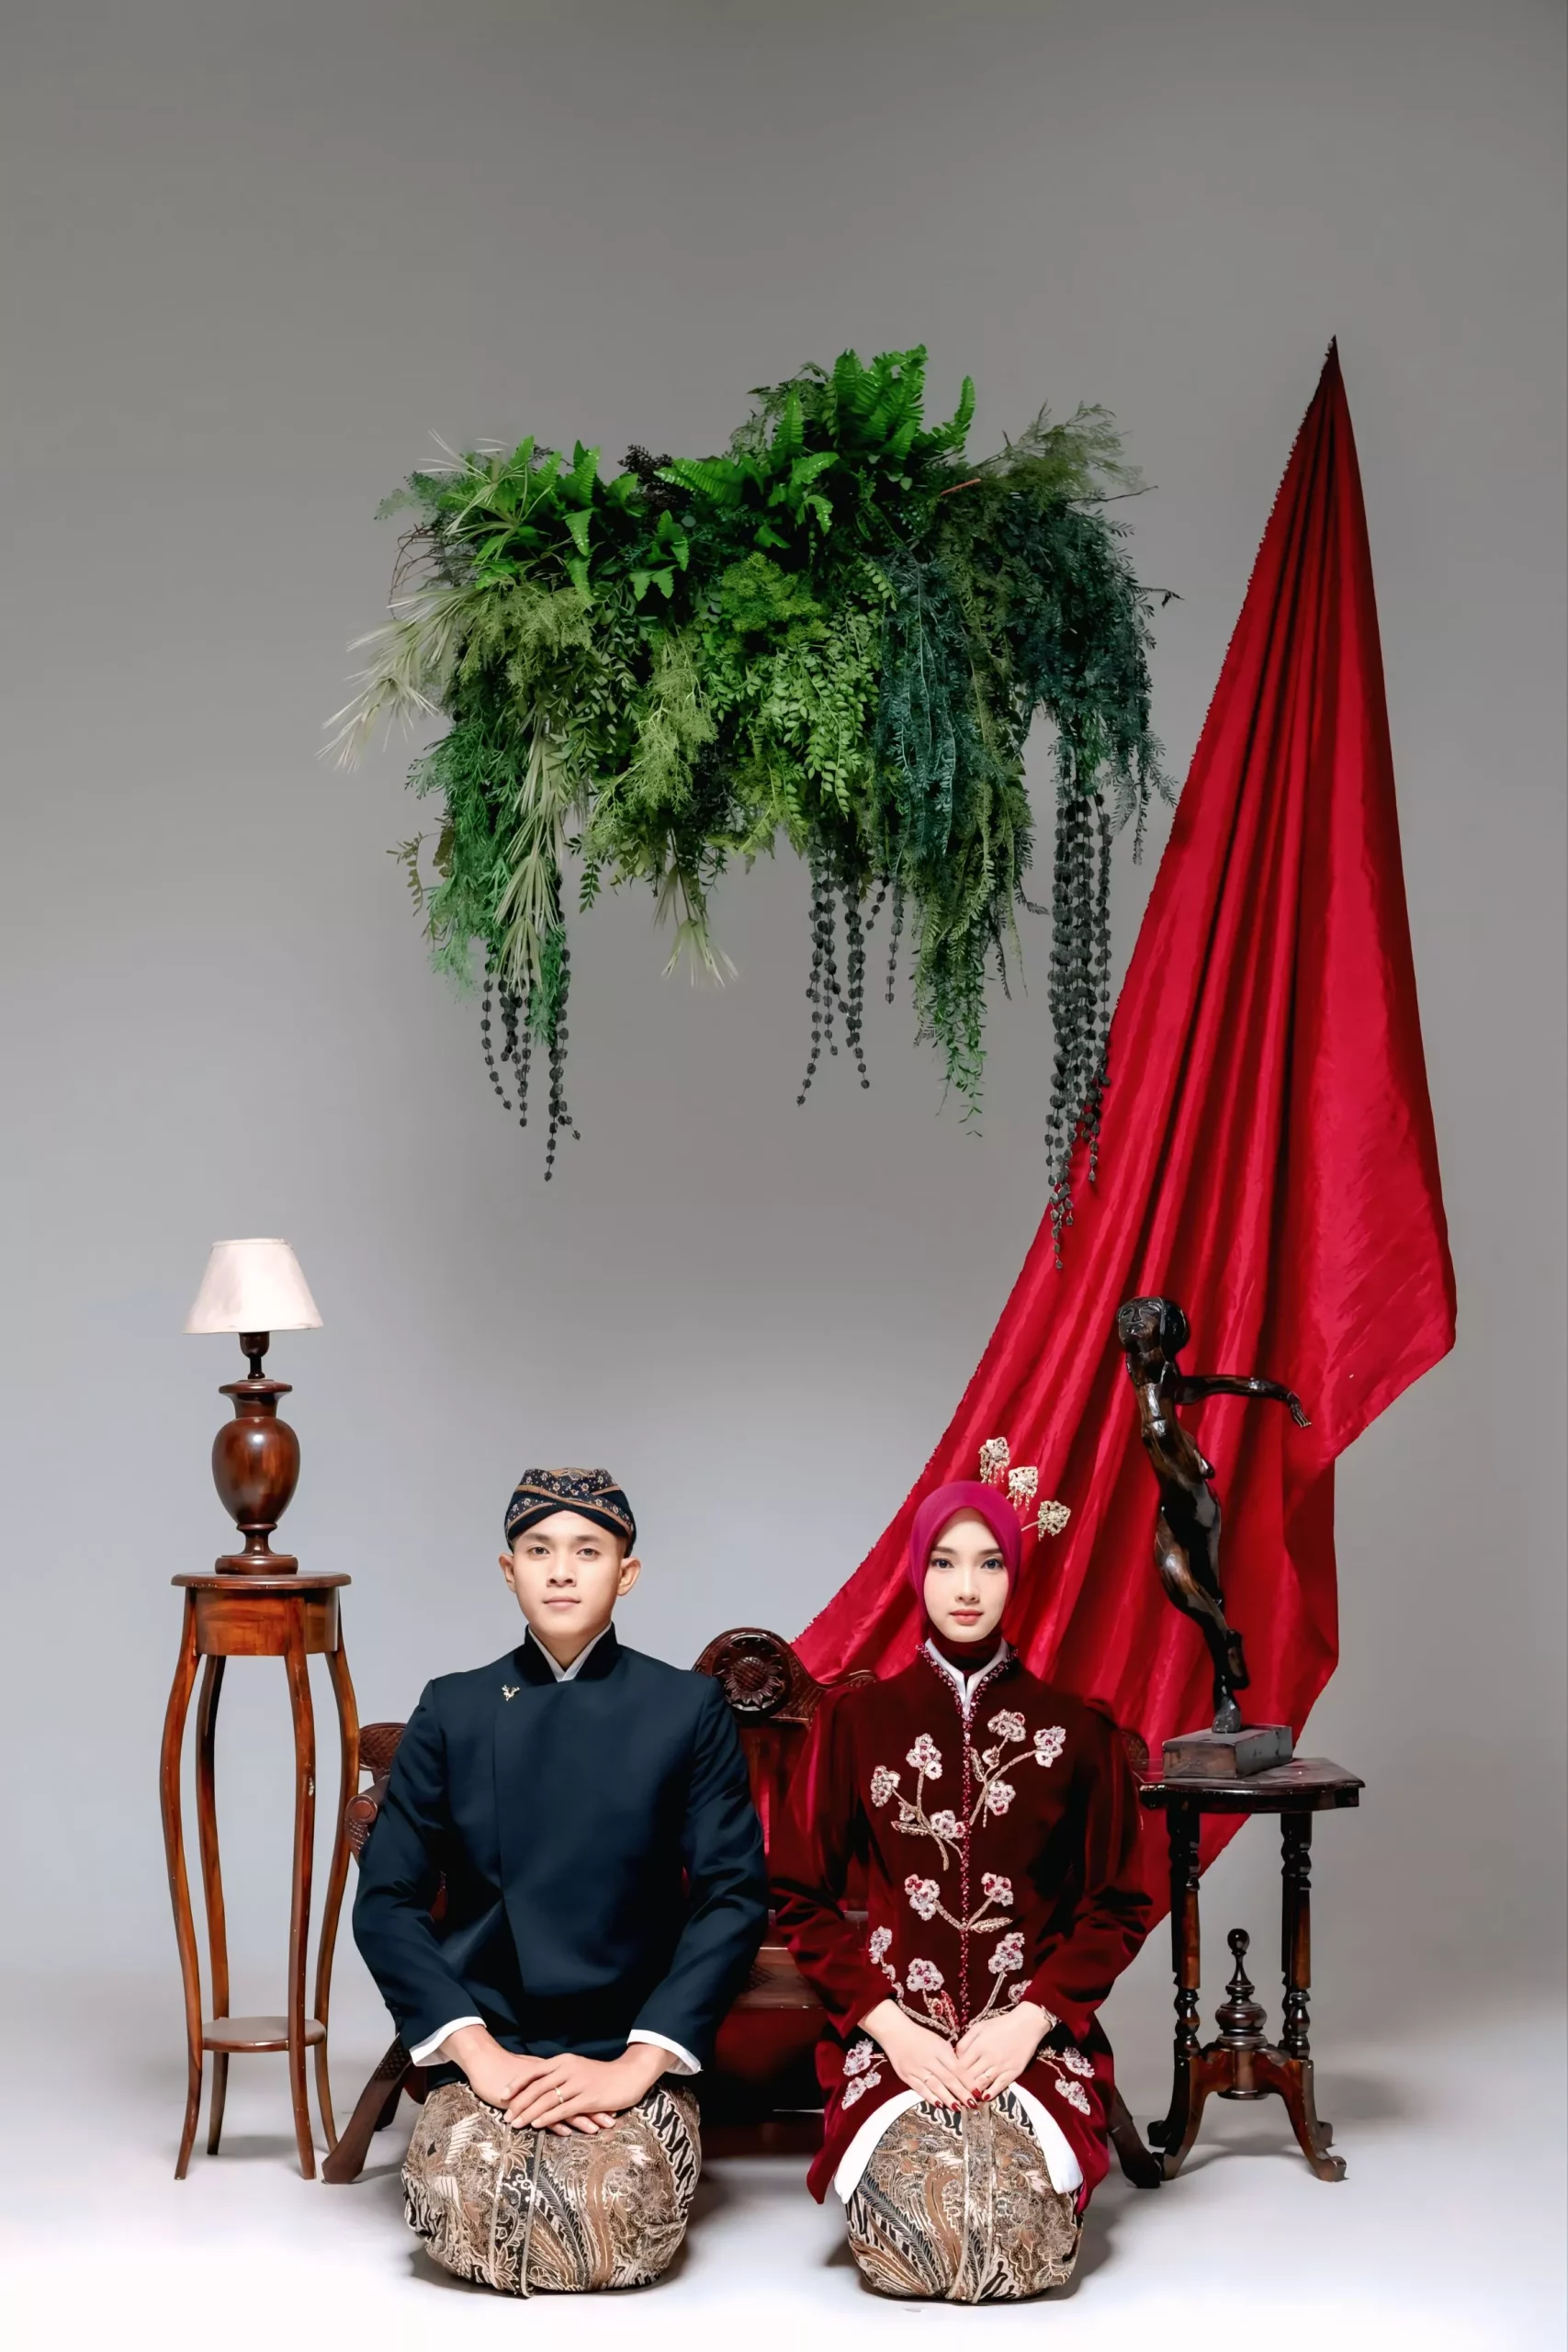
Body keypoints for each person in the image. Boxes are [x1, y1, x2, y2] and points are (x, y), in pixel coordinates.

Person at [353, 1467, 768, 2294]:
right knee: (466, 2216)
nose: (562, 1571)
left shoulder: (685, 1708)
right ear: (509, 1570)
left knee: (618, 2222)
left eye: (588, 1550)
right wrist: (478, 2056)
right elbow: (387, 1900)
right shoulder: (455, 1707)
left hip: (628, 2042)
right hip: (494, 2035)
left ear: (627, 1572)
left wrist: (638, 2064)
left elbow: (732, 1897)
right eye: (539, 1551)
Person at [771, 1471, 1151, 2301]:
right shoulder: (856, 1724)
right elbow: (798, 1893)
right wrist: (886, 2027)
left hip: (1030, 2039)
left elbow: (1119, 1904)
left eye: (989, 1564)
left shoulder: (1075, 1731)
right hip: (895, 2037)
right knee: (919, 2233)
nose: (967, 1588)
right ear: (918, 1572)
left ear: (1015, 1575)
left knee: (1012, 2235)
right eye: (944, 1563)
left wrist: (1032, 2019)